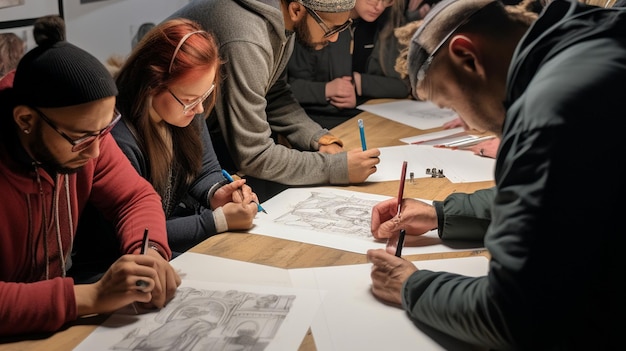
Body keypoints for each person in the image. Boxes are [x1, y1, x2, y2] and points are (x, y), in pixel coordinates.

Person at [367, 0, 624, 349]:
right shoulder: (590, 45)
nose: (469, 124)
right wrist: (441, 213)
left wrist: (413, 287)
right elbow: (565, 197)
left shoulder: (550, 111)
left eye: (451, 104)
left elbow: (518, 314)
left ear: (468, 57)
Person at [0, 34, 181, 336]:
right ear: (26, 120)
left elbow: (134, 198)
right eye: (82, 138)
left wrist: (147, 253)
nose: (95, 152)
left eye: (105, 130)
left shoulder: (83, 129)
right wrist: (92, 296)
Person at [73, 18, 259, 270]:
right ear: (152, 84)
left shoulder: (185, 110)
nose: (200, 108)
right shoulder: (118, 138)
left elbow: (205, 170)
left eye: (204, 96)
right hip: (110, 267)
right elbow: (131, 233)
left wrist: (217, 193)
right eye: (190, 99)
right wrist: (216, 221)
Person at [168, 0, 381, 202]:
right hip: (168, 149)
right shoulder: (248, 39)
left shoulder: (280, 21)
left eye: (343, 27)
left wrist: (319, 139)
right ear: (296, 10)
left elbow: (274, 93)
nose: (334, 39)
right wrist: (337, 168)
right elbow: (254, 155)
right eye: (331, 28)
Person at [287, 0, 411, 129]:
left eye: (388, 1)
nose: (379, 7)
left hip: (365, 115)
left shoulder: (386, 25)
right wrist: (326, 89)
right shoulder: (316, 22)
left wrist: (357, 82)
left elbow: (403, 85)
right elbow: (284, 89)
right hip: (319, 120)